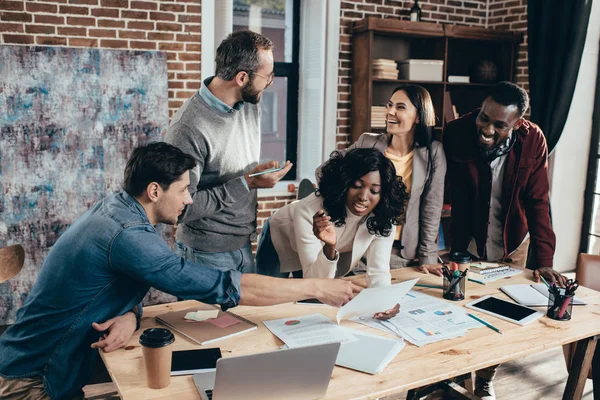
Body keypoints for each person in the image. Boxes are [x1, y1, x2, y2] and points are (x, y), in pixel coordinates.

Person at [0, 142, 361, 400]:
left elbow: (106, 284)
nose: (190, 199)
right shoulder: (128, 235)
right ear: (155, 191)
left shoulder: (118, 210)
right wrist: (317, 288)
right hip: (31, 381)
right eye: (186, 189)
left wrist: (129, 313)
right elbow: (226, 287)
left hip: (45, 363)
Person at [443, 81, 566, 399]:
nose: (486, 129)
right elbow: (452, 193)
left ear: (518, 123)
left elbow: (538, 201)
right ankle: (450, 372)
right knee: (459, 307)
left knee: (503, 313)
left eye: (499, 125)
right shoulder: (457, 132)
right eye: (484, 117)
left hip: (513, 239)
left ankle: (484, 377)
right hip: (468, 238)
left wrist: (545, 261)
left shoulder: (533, 140)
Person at [165, 30, 292, 274]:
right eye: (268, 77)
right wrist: (247, 183)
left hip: (243, 246)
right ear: (242, 78)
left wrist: (252, 176)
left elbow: (233, 172)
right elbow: (179, 209)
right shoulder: (188, 128)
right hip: (204, 255)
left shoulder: (249, 105)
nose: (269, 82)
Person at [319, 84, 446, 275]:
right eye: (389, 105)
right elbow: (324, 171)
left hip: (402, 256)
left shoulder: (433, 153)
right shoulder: (368, 142)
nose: (390, 112)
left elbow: (432, 207)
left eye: (400, 107)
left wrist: (428, 256)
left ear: (419, 116)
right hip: (361, 250)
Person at [257, 148, 408, 291]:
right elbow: (315, 282)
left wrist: (383, 302)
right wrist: (329, 247)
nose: (363, 197)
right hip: (279, 238)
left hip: (317, 253)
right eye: (356, 186)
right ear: (344, 183)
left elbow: (378, 272)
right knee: (269, 296)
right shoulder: (310, 210)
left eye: (374, 191)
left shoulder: (384, 216)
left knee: (312, 301)